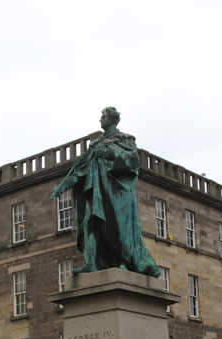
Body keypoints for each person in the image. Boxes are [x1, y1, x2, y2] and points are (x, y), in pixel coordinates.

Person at [50, 107, 161, 277]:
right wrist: (67, 184)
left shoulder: (125, 139)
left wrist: (109, 153)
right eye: (101, 117)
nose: (100, 120)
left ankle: (125, 261)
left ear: (113, 119)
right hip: (97, 192)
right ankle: (92, 263)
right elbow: (83, 169)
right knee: (90, 224)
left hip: (117, 191)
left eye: (103, 117)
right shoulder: (95, 144)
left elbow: (133, 160)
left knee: (118, 227)